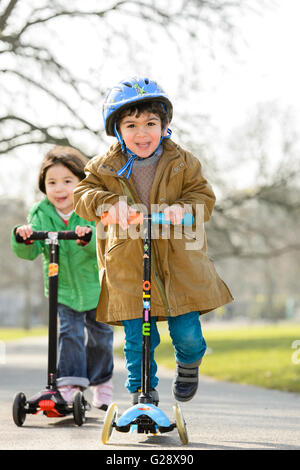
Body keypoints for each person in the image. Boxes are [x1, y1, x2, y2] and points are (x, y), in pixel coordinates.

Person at [73, 77, 233, 405]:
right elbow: (82, 196)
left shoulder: (183, 162)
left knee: (186, 333)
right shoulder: (104, 167)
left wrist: (183, 210)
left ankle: (189, 363)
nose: (141, 133)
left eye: (150, 123)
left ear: (165, 125)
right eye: (131, 125)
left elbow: (204, 196)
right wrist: (108, 205)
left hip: (178, 263)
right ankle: (141, 393)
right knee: (137, 338)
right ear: (117, 130)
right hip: (129, 265)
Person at [11, 146, 114, 410]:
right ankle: (69, 386)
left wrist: (87, 237)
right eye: (52, 182)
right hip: (63, 289)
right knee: (70, 335)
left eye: (67, 181)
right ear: (43, 187)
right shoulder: (40, 213)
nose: (59, 189)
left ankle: (101, 384)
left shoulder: (90, 209)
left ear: (81, 182)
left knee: (101, 337)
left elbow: (105, 246)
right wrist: (23, 236)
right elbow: (30, 251)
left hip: (96, 287)